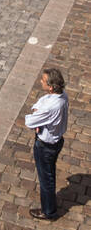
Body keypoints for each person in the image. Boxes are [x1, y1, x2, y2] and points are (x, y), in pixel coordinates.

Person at [25, 67, 68, 221]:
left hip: (45, 146)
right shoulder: (62, 95)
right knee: (49, 174)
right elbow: (42, 101)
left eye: (42, 80)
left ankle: (48, 211)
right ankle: (48, 208)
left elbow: (30, 121)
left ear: (50, 86)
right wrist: (37, 110)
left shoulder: (51, 107)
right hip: (56, 142)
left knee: (46, 180)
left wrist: (36, 114)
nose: (40, 82)